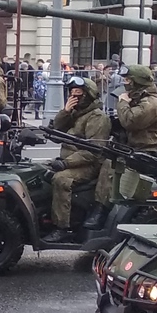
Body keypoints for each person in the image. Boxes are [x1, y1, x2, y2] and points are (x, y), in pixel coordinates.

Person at [89, 63, 157, 230]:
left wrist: (122, 103)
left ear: (136, 82)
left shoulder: (151, 103)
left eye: (127, 80)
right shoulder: (139, 99)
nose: (124, 83)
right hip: (134, 148)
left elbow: (130, 121)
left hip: (146, 151)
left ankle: (101, 211)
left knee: (110, 166)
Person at [48, 76, 110, 236]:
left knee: (61, 179)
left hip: (88, 165)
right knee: (37, 172)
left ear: (88, 96)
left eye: (78, 95)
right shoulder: (75, 114)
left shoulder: (96, 117)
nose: (74, 99)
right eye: (72, 95)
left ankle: (62, 228)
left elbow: (93, 151)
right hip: (71, 161)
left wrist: (66, 163)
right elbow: (56, 132)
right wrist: (65, 112)